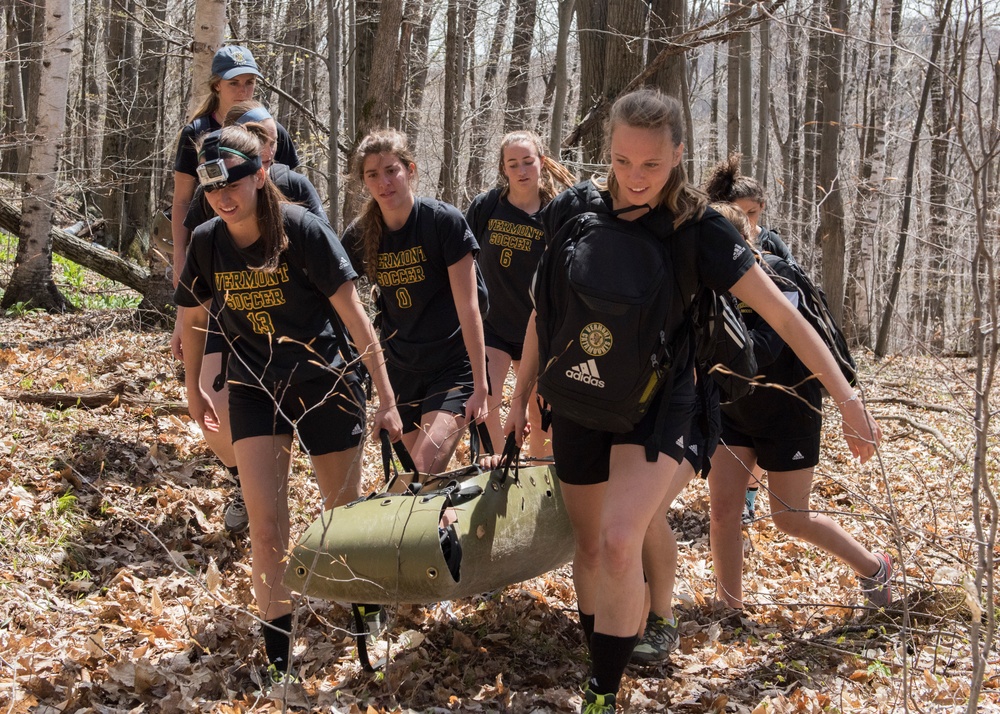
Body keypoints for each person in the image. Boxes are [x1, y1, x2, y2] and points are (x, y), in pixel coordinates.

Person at [505, 89, 882, 713]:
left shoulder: (699, 228)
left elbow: (786, 317)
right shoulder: (575, 211)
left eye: (651, 165)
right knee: (592, 545)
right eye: (623, 162)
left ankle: (602, 695)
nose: (635, 178)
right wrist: (520, 396)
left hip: (661, 408)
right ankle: (602, 655)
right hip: (580, 400)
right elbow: (548, 312)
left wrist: (846, 396)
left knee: (622, 538)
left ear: (678, 155)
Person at [174, 125, 402, 680]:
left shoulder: (302, 230)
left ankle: (364, 614)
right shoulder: (207, 240)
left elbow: (354, 317)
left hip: (325, 381)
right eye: (212, 192)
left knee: (341, 517)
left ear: (259, 176)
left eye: (233, 185)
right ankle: (279, 662)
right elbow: (193, 316)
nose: (223, 199)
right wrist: (192, 384)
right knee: (266, 526)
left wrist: (387, 400)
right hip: (254, 386)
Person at [701, 159, 893, 616]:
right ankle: (730, 608)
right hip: (734, 407)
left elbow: (774, 344)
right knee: (724, 510)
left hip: (788, 407)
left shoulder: (779, 273)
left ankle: (873, 568)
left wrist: (851, 404)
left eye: (754, 214)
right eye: (739, 214)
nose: (748, 225)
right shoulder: (706, 270)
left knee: (790, 517)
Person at [170, 46, 301, 532]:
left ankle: (259, 488)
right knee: (208, 398)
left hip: (269, 292)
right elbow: (184, 204)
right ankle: (241, 479)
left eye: (250, 81)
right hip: (214, 284)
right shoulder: (196, 135)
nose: (244, 89)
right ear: (216, 86)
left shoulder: (274, 133)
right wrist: (182, 271)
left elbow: (294, 200)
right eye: (235, 82)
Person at [343, 128, 488, 473]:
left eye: (392, 170)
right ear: (364, 182)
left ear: (411, 170)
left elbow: (470, 308)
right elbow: (335, 302)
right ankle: (450, 526)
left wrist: (482, 386)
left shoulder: (443, 222)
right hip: (401, 370)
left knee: (421, 474)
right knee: (419, 485)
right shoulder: (359, 236)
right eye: (373, 175)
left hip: (453, 368)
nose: (384, 182)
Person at [465, 131, 575, 457]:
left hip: (538, 330)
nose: (522, 170)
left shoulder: (557, 214)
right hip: (493, 326)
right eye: (513, 164)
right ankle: (498, 473)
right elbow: (462, 261)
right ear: (504, 168)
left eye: (528, 162)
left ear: (541, 163)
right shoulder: (487, 207)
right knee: (486, 402)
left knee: (542, 414)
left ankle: (541, 481)